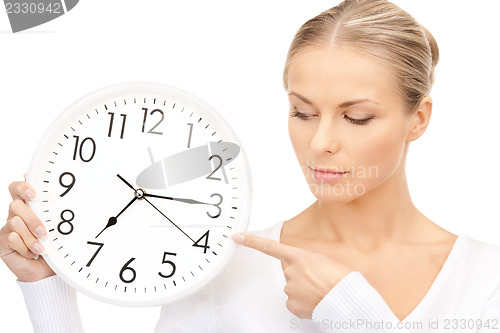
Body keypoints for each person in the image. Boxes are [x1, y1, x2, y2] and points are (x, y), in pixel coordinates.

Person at [2, 0, 500, 332]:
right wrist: (46, 288)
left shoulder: (487, 281)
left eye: (356, 117)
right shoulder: (220, 269)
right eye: (302, 113)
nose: (320, 141)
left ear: (419, 119)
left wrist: (350, 311)